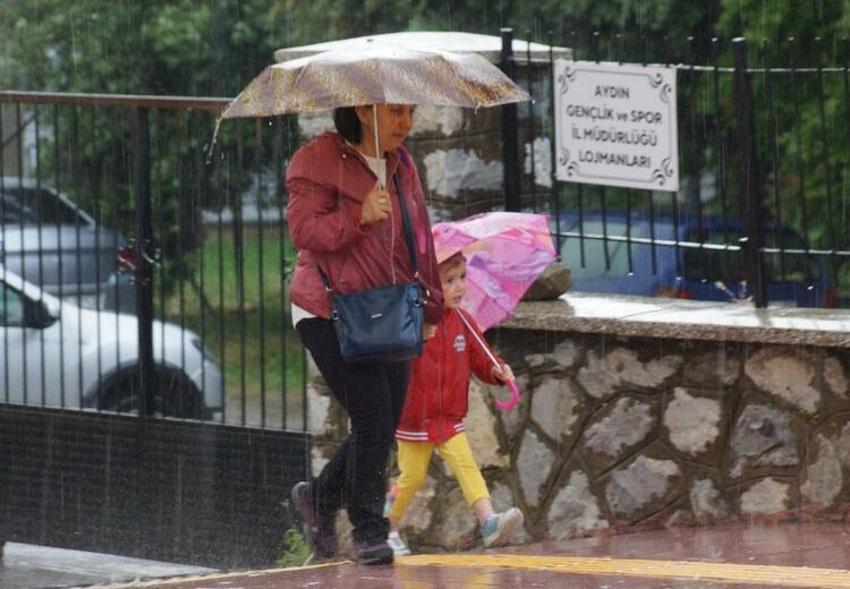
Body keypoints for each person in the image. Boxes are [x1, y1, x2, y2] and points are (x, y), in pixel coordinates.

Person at [286, 104, 443, 566]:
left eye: (412, 111)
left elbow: (421, 236)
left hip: (388, 309)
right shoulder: (316, 159)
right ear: (363, 110)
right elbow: (303, 230)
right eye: (396, 111)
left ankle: (319, 497)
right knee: (374, 417)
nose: (406, 122)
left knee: (381, 423)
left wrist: (431, 305)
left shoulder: (402, 163)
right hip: (327, 310)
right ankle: (369, 531)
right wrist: (358, 215)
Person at [385, 251, 524, 556]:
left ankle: (488, 521)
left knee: (467, 464)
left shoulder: (464, 321)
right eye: (449, 280)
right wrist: (418, 336)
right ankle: (387, 526)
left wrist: (498, 372)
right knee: (412, 477)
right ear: (429, 287)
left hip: (448, 415)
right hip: (415, 417)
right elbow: (396, 358)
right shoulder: (414, 321)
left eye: (462, 277)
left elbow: (482, 357)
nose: (460, 286)